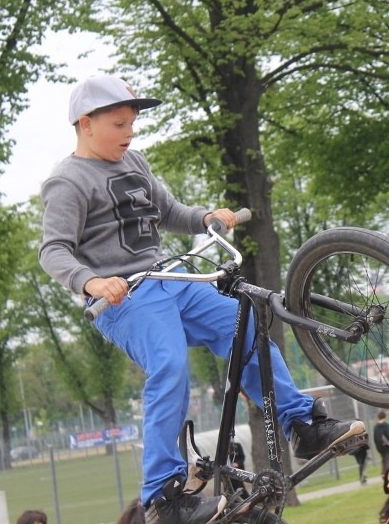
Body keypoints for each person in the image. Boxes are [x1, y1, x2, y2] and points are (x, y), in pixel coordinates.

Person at [39, 74, 365, 524]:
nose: (129, 132)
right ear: (85, 123)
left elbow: (170, 213)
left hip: (172, 280)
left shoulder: (135, 162)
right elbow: (53, 250)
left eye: (132, 122)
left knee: (246, 325)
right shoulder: (68, 182)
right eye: (118, 124)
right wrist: (90, 283)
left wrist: (206, 217)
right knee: (170, 364)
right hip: (125, 297)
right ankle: (162, 497)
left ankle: (301, 425)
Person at [373, 410, 389, 475]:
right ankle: (388, 473)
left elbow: (375, 438)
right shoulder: (386, 425)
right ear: (385, 417)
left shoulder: (376, 427)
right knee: (388, 459)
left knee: (383, 459)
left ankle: (383, 472)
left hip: (380, 446)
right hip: (387, 446)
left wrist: (377, 447)